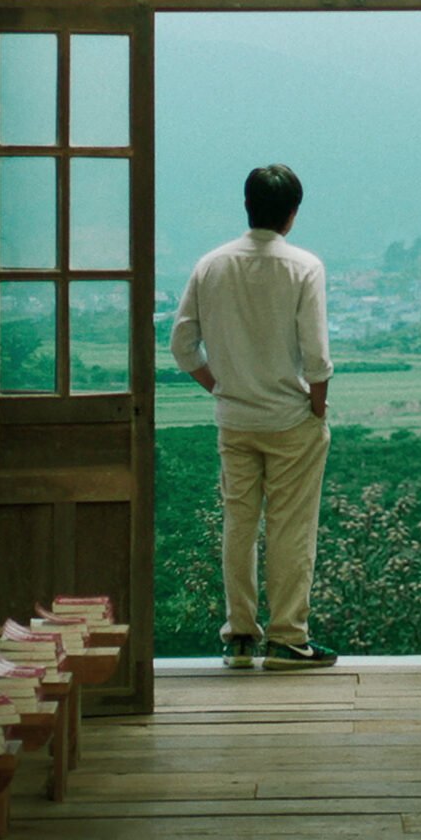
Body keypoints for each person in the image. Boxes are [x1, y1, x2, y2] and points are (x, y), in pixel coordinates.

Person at [168, 164, 338, 670]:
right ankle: (287, 638)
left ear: (247, 205)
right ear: (292, 213)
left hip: (234, 420)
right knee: (292, 529)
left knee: (238, 525)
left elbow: (182, 345)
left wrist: (219, 387)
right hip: (290, 420)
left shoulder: (211, 265)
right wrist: (317, 408)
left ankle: (239, 635)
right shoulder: (304, 267)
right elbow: (317, 357)